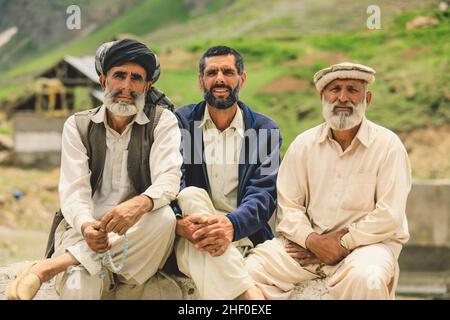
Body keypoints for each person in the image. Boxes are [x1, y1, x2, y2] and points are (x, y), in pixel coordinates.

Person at [6, 39, 182, 300]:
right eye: (119, 75)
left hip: (137, 241)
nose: (126, 86)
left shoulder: (161, 122)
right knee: (77, 287)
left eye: (136, 78)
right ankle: (74, 261)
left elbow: (169, 178)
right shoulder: (78, 126)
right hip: (85, 233)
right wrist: (87, 226)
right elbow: (73, 192)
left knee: (164, 217)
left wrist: (140, 204)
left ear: (147, 86)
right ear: (103, 81)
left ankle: (49, 268)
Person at [245, 62, 411, 299]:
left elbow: (389, 215)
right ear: (323, 96)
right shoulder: (303, 145)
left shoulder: (388, 146)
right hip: (305, 247)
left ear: (368, 98)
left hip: (366, 248)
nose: (342, 98)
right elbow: (288, 207)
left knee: (368, 279)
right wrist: (312, 241)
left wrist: (343, 244)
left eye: (352, 90)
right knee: (250, 271)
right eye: (335, 89)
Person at [172, 46, 282, 299]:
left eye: (228, 71)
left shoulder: (265, 130)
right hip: (192, 233)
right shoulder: (182, 123)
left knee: (204, 253)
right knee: (190, 194)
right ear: (201, 80)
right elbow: (171, 180)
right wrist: (179, 221)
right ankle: (250, 296)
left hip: (244, 234)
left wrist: (231, 225)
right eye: (211, 72)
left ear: (241, 78)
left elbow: (264, 194)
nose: (219, 79)